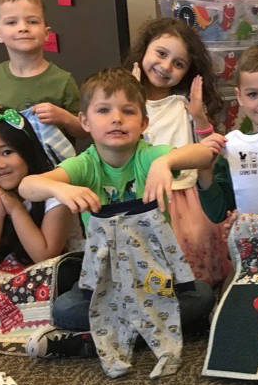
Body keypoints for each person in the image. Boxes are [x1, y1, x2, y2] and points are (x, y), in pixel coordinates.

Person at [18, 68, 224, 355]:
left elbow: (204, 154)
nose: (116, 118)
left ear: (143, 123)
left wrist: (165, 164)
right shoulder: (85, 165)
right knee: (64, 309)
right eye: (104, 110)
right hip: (106, 281)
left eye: (128, 111)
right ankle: (147, 331)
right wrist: (60, 189)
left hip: (155, 278)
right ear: (84, 121)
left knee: (201, 295)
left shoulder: (148, 156)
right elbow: (27, 186)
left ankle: (95, 341)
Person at [126, 18, 229, 286]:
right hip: (143, 196)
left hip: (186, 199)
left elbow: (209, 151)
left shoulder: (182, 105)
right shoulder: (124, 104)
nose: (166, 66)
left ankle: (198, 309)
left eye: (178, 63)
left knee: (192, 269)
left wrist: (200, 117)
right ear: (144, 50)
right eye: (161, 53)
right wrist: (130, 103)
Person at [198, 43, 258, 221]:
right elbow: (218, 213)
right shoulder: (232, 150)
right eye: (253, 94)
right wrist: (204, 170)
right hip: (252, 243)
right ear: (239, 96)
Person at [0, 108, 71, 267]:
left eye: (7, 152)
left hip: (51, 268)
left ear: (27, 151)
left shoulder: (53, 191)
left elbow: (45, 258)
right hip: (7, 262)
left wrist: (15, 209)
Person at [0, 0, 83, 141]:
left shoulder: (62, 80)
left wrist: (63, 117)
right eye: (11, 22)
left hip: (53, 164)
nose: (23, 28)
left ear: (46, 33)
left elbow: (84, 131)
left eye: (32, 21)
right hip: (7, 162)